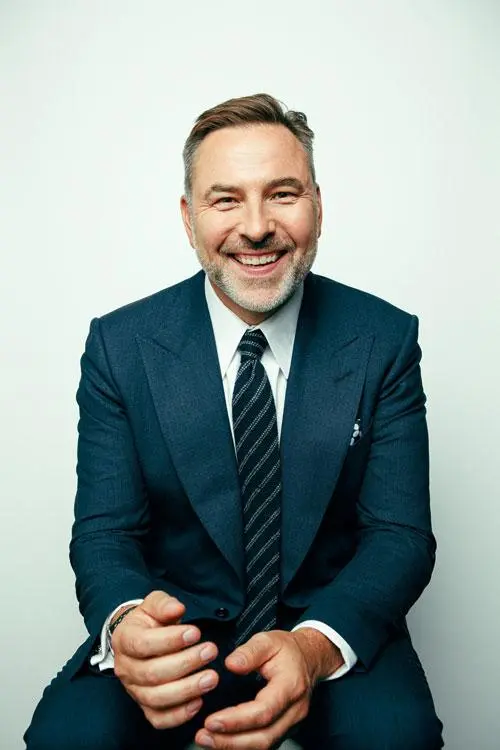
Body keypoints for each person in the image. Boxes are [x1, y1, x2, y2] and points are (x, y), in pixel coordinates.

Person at [25, 93, 443, 749]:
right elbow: (105, 533)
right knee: (66, 738)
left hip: (327, 623)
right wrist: (128, 625)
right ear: (188, 219)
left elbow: (399, 536)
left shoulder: (384, 339)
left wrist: (314, 646)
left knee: (399, 738)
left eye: (282, 194)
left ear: (318, 206)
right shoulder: (120, 346)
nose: (255, 227)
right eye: (225, 200)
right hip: (178, 631)